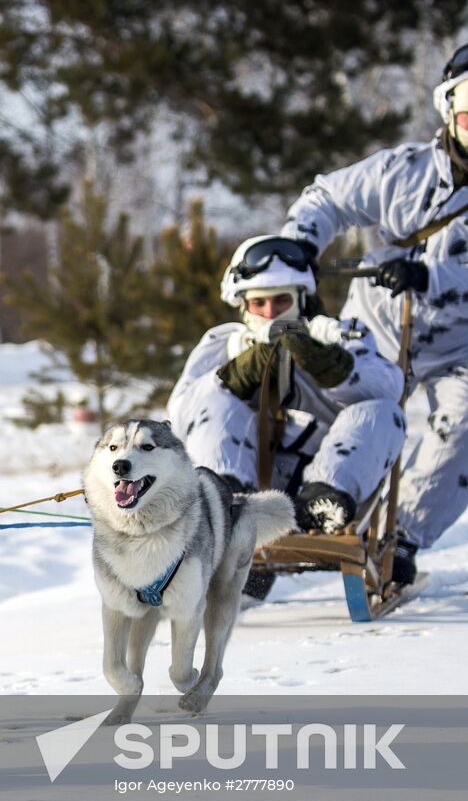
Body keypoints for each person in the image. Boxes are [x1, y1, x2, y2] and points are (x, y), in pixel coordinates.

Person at [279, 41, 468, 584]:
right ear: (449, 110)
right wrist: (299, 247)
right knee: (331, 406)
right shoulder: (402, 170)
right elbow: (327, 198)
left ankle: (403, 536)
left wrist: (430, 277)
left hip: (467, 343)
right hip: (378, 325)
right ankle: (298, 508)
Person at [167, 236, 407, 598]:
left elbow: (390, 387)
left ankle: (321, 502)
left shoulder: (340, 334)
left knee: (384, 412)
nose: (271, 313)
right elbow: (180, 415)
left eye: (282, 301)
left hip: (328, 471)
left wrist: (333, 367)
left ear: (301, 299)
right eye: (259, 303)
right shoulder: (222, 343)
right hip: (251, 478)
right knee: (214, 400)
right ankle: (224, 501)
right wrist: (232, 376)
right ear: (243, 305)